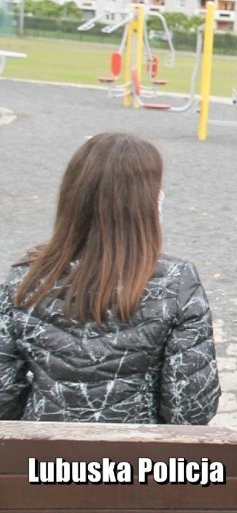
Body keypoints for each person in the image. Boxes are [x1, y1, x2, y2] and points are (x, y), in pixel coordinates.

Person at [0, 132, 220, 424]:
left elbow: (4, 397)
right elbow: (190, 410)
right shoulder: (176, 283)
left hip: (43, 460)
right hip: (137, 461)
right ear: (145, 203)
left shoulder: (26, 279)